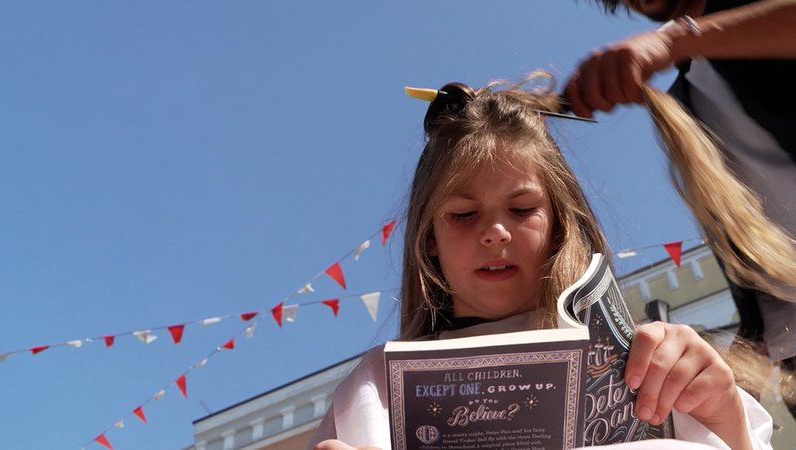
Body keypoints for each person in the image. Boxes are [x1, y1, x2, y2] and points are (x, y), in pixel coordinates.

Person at [308, 73, 773, 450]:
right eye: (464, 215)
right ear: (429, 239)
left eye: (522, 208)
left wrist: (724, 413)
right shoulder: (375, 389)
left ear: (559, 224)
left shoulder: (652, 366)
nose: (495, 232)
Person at [563, 0, 796, 414]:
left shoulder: (761, 16)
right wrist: (740, 372)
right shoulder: (686, 101)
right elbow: (751, 252)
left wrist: (673, 39)